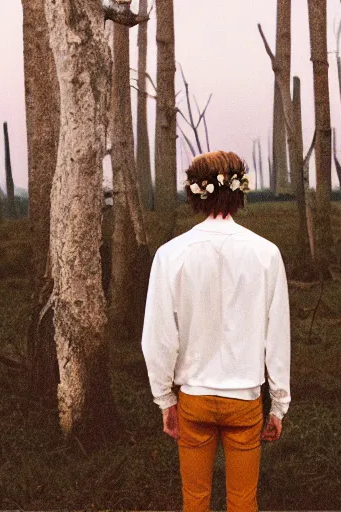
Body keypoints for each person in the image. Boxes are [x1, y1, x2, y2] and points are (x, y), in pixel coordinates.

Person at [141, 150, 291, 512]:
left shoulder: (170, 254)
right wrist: (279, 405)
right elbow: (278, 336)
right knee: (243, 502)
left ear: (195, 193)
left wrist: (165, 400)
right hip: (245, 400)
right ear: (241, 192)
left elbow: (158, 337)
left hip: (194, 398)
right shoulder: (267, 254)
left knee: (195, 501)